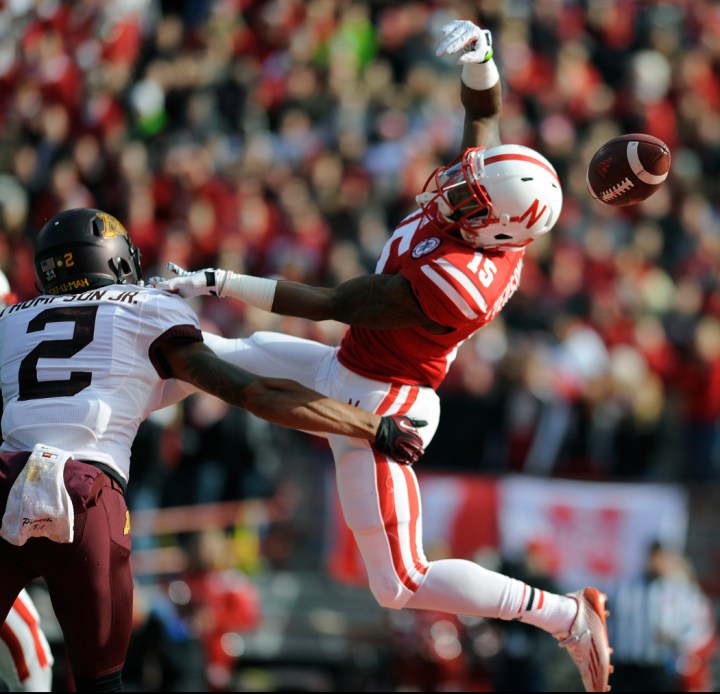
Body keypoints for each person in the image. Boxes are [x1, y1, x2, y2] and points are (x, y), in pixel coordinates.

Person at [150, 18, 612, 693]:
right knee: (211, 353)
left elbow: (328, 300)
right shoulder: (487, 209)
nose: (453, 190)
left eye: (470, 199)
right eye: (468, 185)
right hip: (354, 363)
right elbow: (483, 118)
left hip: (382, 399)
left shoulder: (461, 284)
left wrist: (219, 280)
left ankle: (567, 616)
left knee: (400, 583)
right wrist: (481, 58)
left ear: (502, 230)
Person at [0, 207, 426, 693]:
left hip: (7, 478)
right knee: (101, 682)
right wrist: (372, 426)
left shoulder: (9, 319)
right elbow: (255, 391)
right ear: (118, 261)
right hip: (86, 492)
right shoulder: (145, 307)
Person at [608, 541, 716, 692]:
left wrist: (678, 640)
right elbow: (610, 620)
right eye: (655, 558)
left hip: (659, 664)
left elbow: (697, 625)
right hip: (624, 664)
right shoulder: (626, 586)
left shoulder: (680, 589)